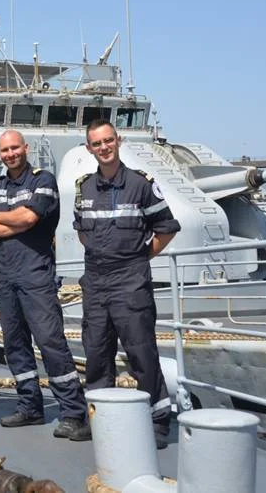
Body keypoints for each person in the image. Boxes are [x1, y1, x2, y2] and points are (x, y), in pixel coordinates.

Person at [74, 119, 181, 449]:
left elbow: (166, 229)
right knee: (96, 353)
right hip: (96, 280)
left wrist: (138, 258)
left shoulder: (140, 184)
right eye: (97, 143)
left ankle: (157, 422)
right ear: (89, 148)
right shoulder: (85, 188)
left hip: (130, 280)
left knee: (141, 352)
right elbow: (81, 231)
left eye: (108, 140)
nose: (104, 147)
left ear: (118, 141)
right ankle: (99, 419)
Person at [0, 130, 90, 440]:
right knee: (15, 344)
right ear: (0, 154)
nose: (10, 154)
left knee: (50, 341)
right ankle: (30, 405)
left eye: (15, 148)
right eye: (5, 150)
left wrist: (3, 216)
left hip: (36, 274)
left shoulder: (43, 180)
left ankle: (73, 412)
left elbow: (29, 219)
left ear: (25, 148)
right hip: (6, 275)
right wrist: (14, 219)